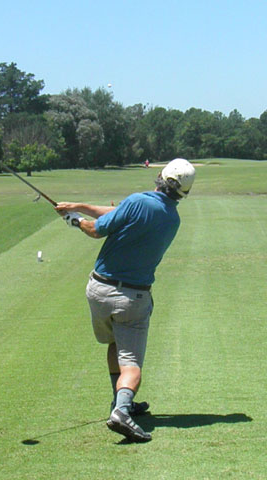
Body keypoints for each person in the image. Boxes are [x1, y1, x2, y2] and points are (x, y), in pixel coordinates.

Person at [54, 158, 196, 443]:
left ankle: (120, 402)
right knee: (131, 363)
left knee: (115, 345)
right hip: (132, 298)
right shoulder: (172, 218)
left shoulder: (137, 202)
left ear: (160, 176)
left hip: (98, 290)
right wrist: (79, 207)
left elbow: (97, 229)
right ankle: (121, 411)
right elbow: (120, 213)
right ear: (184, 192)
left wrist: (77, 221)